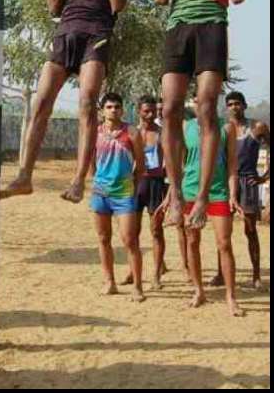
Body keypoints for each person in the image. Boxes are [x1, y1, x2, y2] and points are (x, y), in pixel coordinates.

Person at [0, 0, 131, 203]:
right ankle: (24, 176)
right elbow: (53, 8)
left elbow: (117, 3)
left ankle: (78, 180)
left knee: (86, 103)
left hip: (97, 34)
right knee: (41, 102)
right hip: (65, 34)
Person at [155, 0, 249, 230]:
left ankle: (204, 195)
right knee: (169, 109)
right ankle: (177, 193)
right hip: (178, 29)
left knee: (207, 107)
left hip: (211, 26)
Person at [160, 96, 244, 316]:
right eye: (196, 102)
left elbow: (232, 166)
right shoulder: (186, 127)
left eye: (204, 101)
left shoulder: (226, 128)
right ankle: (198, 291)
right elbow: (177, 165)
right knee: (192, 241)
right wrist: (172, 193)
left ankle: (230, 296)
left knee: (224, 243)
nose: (200, 105)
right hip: (189, 192)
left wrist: (233, 195)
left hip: (217, 193)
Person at [205, 91, 268, 290]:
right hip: (226, 182)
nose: (234, 107)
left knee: (250, 230)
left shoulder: (257, 127)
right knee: (222, 230)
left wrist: (264, 177)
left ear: (244, 105)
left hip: (248, 182)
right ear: (226, 107)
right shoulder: (223, 128)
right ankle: (221, 273)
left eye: (237, 103)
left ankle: (256, 275)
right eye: (230, 104)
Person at [88, 93, 146, 301]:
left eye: (117, 107)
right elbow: (90, 160)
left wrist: (133, 187)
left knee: (130, 240)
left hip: (124, 193)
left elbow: (141, 164)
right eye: (109, 107)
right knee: (103, 238)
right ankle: (109, 281)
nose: (113, 110)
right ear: (102, 110)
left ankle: (138, 286)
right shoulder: (94, 132)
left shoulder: (132, 133)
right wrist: (95, 180)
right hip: (100, 192)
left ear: (122, 110)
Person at [122, 95, 172, 289]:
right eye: (146, 111)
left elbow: (171, 161)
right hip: (134, 184)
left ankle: (157, 275)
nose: (150, 115)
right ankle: (132, 272)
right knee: (131, 232)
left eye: (153, 111)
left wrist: (169, 188)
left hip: (155, 184)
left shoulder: (162, 133)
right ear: (138, 111)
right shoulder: (131, 133)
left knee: (156, 230)